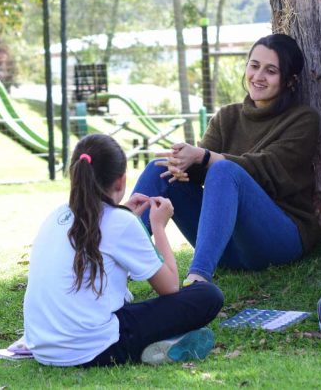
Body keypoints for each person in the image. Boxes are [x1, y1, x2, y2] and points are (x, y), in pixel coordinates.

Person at [131, 33, 321, 285]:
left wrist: (206, 157)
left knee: (223, 170)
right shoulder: (227, 116)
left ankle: (198, 279)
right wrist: (183, 160)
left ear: (290, 80)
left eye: (271, 70)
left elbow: (270, 170)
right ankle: (114, 260)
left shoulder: (303, 119)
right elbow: (198, 169)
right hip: (226, 247)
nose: (258, 76)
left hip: (277, 240)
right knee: (161, 168)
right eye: (254, 66)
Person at [23, 134, 224, 367]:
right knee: (208, 296)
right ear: (120, 181)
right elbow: (169, 287)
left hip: (42, 348)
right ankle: (160, 345)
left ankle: (164, 343)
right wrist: (158, 226)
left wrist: (125, 217)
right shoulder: (119, 221)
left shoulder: (56, 215)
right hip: (95, 349)